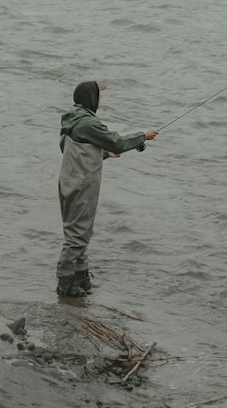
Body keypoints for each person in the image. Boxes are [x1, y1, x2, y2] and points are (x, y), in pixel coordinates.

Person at [56, 79, 159, 298]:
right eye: (99, 96)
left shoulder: (71, 119)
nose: (101, 101)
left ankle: (80, 277)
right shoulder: (89, 124)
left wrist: (102, 154)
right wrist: (143, 136)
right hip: (82, 184)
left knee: (79, 231)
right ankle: (64, 284)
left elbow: (70, 149)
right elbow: (117, 142)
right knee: (77, 235)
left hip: (69, 180)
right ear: (90, 98)